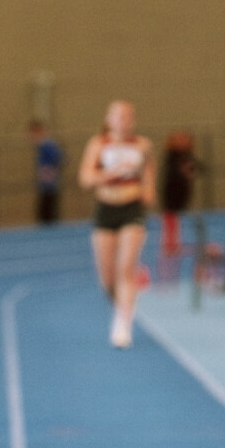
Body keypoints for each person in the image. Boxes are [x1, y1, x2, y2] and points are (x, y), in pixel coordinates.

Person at [78, 100, 154, 348]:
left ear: (133, 120)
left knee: (126, 268)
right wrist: (112, 173)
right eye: (118, 116)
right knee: (107, 279)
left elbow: (149, 175)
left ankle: (123, 323)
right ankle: (122, 306)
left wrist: (148, 191)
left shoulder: (143, 146)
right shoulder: (98, 144)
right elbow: (85, 179)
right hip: (106, 209)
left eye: (127, 116)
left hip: (132, 209)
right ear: (109, 119)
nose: (123, 121)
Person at [160, 129, 199, 255]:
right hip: (172, 195)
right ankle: (171, 245)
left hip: (182, 194)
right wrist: (185, 170)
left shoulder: (187, 156)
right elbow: (175, 173)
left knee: (177, 220)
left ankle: (175, 244)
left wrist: (189, 170)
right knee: (171, 219)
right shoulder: (172, 157)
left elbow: (195, 168)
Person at [30, 121, 63, 224]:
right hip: (45, 184)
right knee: (44, 212)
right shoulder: (43, 146)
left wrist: (49, 174)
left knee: (47, 212)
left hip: (49, 184)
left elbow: (58, 158)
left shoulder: (48, 145)